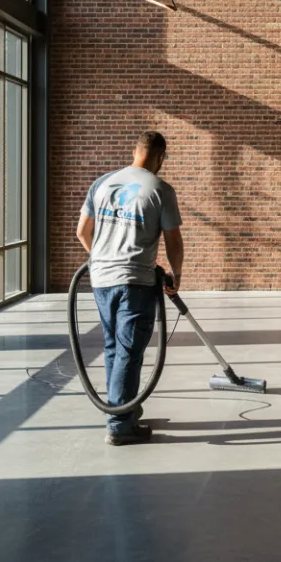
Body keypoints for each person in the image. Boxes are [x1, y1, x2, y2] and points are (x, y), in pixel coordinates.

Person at [76, 131, 184, 446]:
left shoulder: (102, 183)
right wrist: (176, 274)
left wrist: (101, 258)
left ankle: (123, 409)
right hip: (135, 280)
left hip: (100, 279)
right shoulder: (160, 189)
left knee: (114, 346)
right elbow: (173, 240)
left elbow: (82, 231)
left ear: (135, 151)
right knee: (129, 350)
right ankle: (120, 426)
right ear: (161, 157)